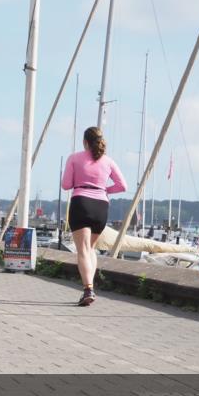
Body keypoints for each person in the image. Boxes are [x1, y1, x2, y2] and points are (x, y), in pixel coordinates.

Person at [61, 126, 126, 306]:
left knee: (82, 250)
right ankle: (91, 286)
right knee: (91, 248)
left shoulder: (74, 158)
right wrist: (105, 189)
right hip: (101, 206)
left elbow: (66, 185)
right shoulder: (108, 161)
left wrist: (80, 181)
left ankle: (88, 289)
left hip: (81, 202)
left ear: (85, 142)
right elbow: (123, 185)